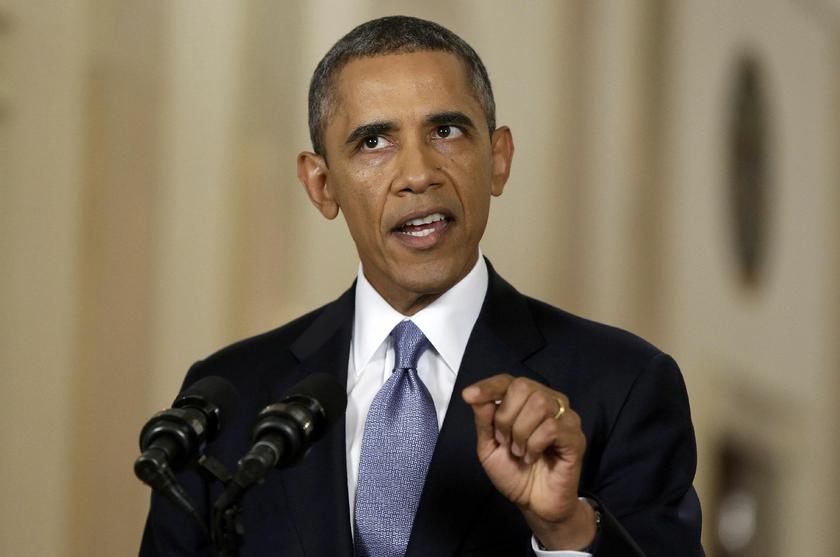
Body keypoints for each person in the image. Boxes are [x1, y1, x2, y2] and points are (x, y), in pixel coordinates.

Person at [140, 15, 704, 556]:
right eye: (373, 143)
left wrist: (567, 529)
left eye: (446, 130)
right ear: (321, 185)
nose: (417, 175)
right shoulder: (231, 395)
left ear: (499, 159)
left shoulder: (624, 383)